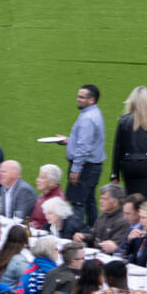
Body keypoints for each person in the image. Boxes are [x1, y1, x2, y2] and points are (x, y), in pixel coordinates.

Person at [55, 84, 104, 227]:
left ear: (92, 100)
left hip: (85, 168)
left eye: (82, 97)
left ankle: (72, 237)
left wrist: (76, 169)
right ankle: (92, 233)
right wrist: (69, 141)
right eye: (78, 96)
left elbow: (83, 147)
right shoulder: (94, 113)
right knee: (89, 202)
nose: (78, 99)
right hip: (92, 166)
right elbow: (88, 141)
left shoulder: (87, 118)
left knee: (77, 203)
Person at [82, 183, 130, 252]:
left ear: (115, 202)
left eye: (104, 199)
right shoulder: (103, 215)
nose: (100, 201)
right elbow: (94, 235)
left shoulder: (123, 221)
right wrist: (83, 236)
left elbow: (114, 246)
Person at [29, 164, 64, 229]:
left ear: (52, 182)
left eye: (42, 178)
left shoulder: (57, 201)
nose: (37, 180)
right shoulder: (42, 196)